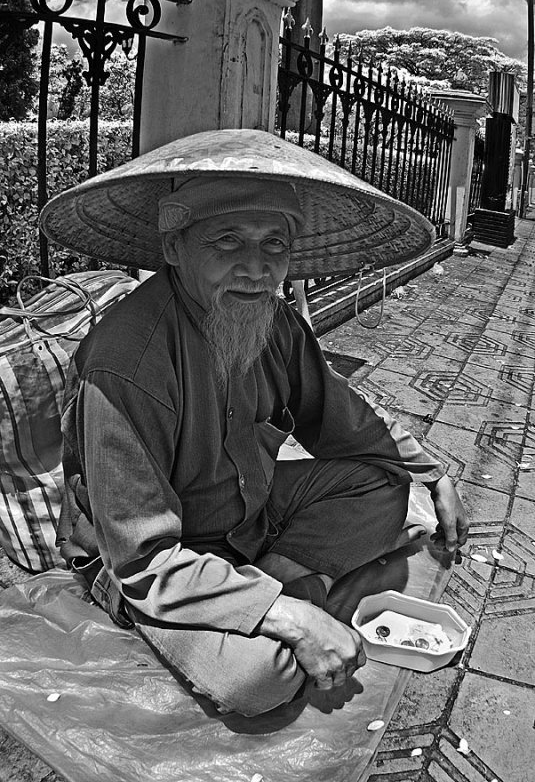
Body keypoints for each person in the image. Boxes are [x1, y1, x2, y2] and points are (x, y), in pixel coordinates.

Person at [41, 129, 469, 727]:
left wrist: (433, 470)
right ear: (174, 247)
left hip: (250, 514)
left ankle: (275, 580)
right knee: (259, 678)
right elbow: (143, 558)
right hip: (161, 562)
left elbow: (340, 416)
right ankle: (281, 593)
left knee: (390, 486)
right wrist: (292, 617)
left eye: (275, 244)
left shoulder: (273, 319)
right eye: (228, 240)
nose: (256, 267)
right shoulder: (129, 364)